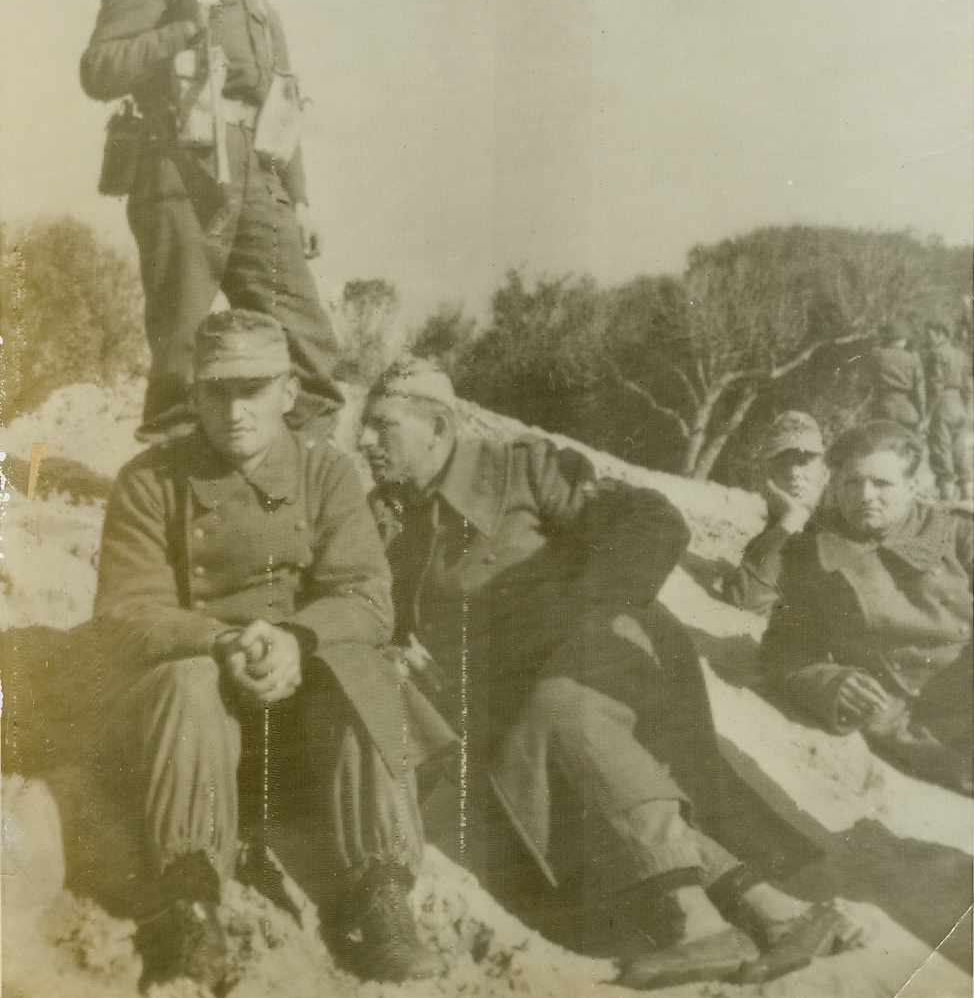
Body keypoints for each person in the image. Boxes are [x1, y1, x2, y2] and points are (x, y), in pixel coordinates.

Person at [358, 355, 862, 990]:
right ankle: (779, 913)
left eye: (383, 425)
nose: (365, 441)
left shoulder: (523, 466)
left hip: (618, 653)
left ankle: (698, 930)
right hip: (513, 696)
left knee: (557, 711)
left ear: (436, 427)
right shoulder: (390, 521)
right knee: (545, 734)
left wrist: (575, 612)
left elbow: (652, 522)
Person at [93, 312, 441, 988]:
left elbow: (368, 599)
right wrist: (221, 641)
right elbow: (126, 611)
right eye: (217, 390)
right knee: (189, 678)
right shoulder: (148, 481)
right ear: (194, 396)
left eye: (254, 389)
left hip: (301, 722)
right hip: (188, 725)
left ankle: (381, 892)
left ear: (287, 391)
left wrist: (296, 640)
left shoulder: (329, 475)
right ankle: (188, 899)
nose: (236, 410)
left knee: (361, 668)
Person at [80, 0, 343, 444]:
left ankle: (296, 485)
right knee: (182, 346)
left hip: (258, 184)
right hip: (179, 179)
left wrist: (298, 200)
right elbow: (97, 70)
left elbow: (281, 103)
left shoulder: (259, 7)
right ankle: (173, 497)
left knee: (309, 342)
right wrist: (178, 30)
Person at [761, 421, 973, 796]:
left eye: (882, 484)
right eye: (851, 483)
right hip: (910, 717)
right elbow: (783, 648)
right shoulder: (814, 554)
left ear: (913, 486)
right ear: (834, 483)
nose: (865, 496)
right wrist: (829, 683)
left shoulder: (957, 533)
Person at [723, 412, 829, 617]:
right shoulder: (778, 531)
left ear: (824, 473)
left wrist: (792, 521)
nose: (793, 473)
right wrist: (790, 521)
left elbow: (748, 601)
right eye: (783, 463)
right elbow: (746, 597)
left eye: (804, 461)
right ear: (767, 478)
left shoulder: (840, 530)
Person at [923, 321, 974, 501]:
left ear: (939, 333)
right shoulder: (960, 355)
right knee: (959, 450)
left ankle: (946, 498)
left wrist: (927, 414)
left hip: (942, 404)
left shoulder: (936, 354)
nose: (927, 337)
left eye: (929, 333)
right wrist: (966, 409)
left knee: (940, 449)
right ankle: (968, 495)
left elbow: (936, 385)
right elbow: (968, 386)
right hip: (959, 404)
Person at [866, 320, 925, 431]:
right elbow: (919, 391)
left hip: (882, 410)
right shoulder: (913, 358)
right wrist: (922, 417)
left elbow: (865, 383)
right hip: (907, 412)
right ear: (902, 339)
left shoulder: (876, 355)